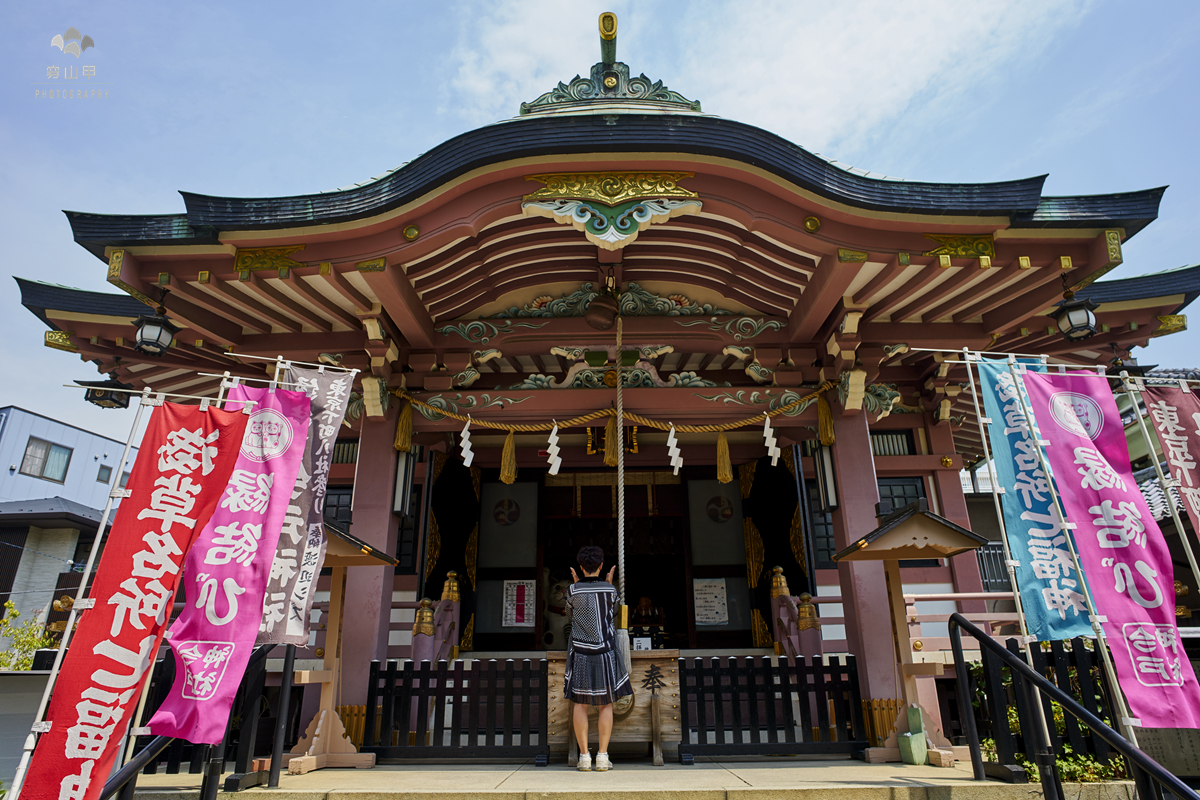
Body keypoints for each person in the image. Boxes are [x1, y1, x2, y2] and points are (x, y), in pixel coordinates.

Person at [565, 545, 632, 772]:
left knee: (580, 704)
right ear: (602, 566)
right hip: (604, 652)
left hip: (581, 653)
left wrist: (576, 584)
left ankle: (584, 758)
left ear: (581, 567)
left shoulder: (572, 590)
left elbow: (569, 614)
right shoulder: (610, 591)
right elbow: (612, 612)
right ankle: (602, 757)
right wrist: (609, 584)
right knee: (605, 705)